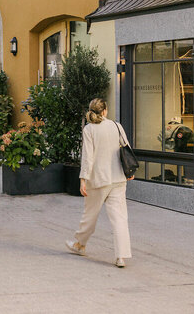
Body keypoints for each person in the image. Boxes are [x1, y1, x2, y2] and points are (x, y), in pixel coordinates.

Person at [66, 98, 133, 268]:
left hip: (98, 180)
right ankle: (121, 257)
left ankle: (80, 245)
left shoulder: (89, 130)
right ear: (104, 111)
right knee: (120, 218)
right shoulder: (116, 126)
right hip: (118, 178)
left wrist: (83, 179)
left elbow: (88, 157)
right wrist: (129, 172)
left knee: (90, 216)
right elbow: (127, 148)